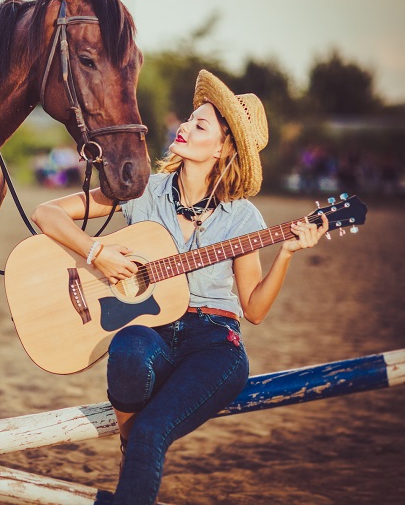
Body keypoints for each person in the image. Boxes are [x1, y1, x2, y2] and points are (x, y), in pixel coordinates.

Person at [31, 70, 329, 504]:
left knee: (152, 430)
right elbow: (46, 214)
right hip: (153, 331)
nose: (183, 128)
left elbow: (255, 309)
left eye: (200, 125)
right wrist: (97, 253)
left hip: (214, 345)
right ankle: (136, 450)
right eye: (188, 119)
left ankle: (136, 447)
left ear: (224, 147)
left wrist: (285, 254)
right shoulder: (142, 191)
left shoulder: (243, 219)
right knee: (126, 349)